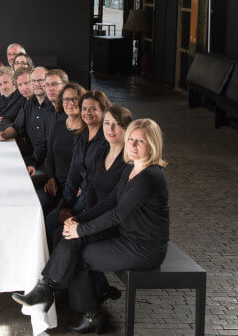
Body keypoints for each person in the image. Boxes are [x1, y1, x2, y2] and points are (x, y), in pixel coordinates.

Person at [12, 118, 169, 334]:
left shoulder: (149, 177)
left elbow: (117, 214)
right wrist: (80, 220)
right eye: (131, 139)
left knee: (80, 255)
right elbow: (109, 201)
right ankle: (48, 290)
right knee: (72, 240)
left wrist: (80, 229)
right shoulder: (132, 167)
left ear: (153, 144)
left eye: (139, 141)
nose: (132, 145)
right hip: (128, 237)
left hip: (144, 248)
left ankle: (83, 311)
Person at [44, 91, 112, 242]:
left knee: (59, 233)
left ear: (104, 111)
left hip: (95, 202)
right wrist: (65, 205)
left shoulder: (107, 140)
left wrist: (77, 212)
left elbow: (98, 180)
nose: (87, 113)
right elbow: (74, 171)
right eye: (84, 108)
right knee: (51, 220)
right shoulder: (81, 136)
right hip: (80, 195)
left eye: (93, 109)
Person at [32, 82, 86, 215]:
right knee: (31, 201)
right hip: (55, 183)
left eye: (75, 99)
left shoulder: (88, 130)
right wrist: (50, 179)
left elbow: (90, 167)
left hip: (77, 189)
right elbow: (50, 156)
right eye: (66, 99)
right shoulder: (58, 126)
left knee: (51, 220)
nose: (70, 103)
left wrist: (79, 190)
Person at [0, 67, 56, 176]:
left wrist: (33, 163)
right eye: (33, 81)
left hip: (50, 165)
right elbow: (17, 127)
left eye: (40, 81)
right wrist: (5, 134)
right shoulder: (28, 104)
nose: (36, 84)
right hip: (35, 159)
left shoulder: (55, 106)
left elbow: (47, 142)